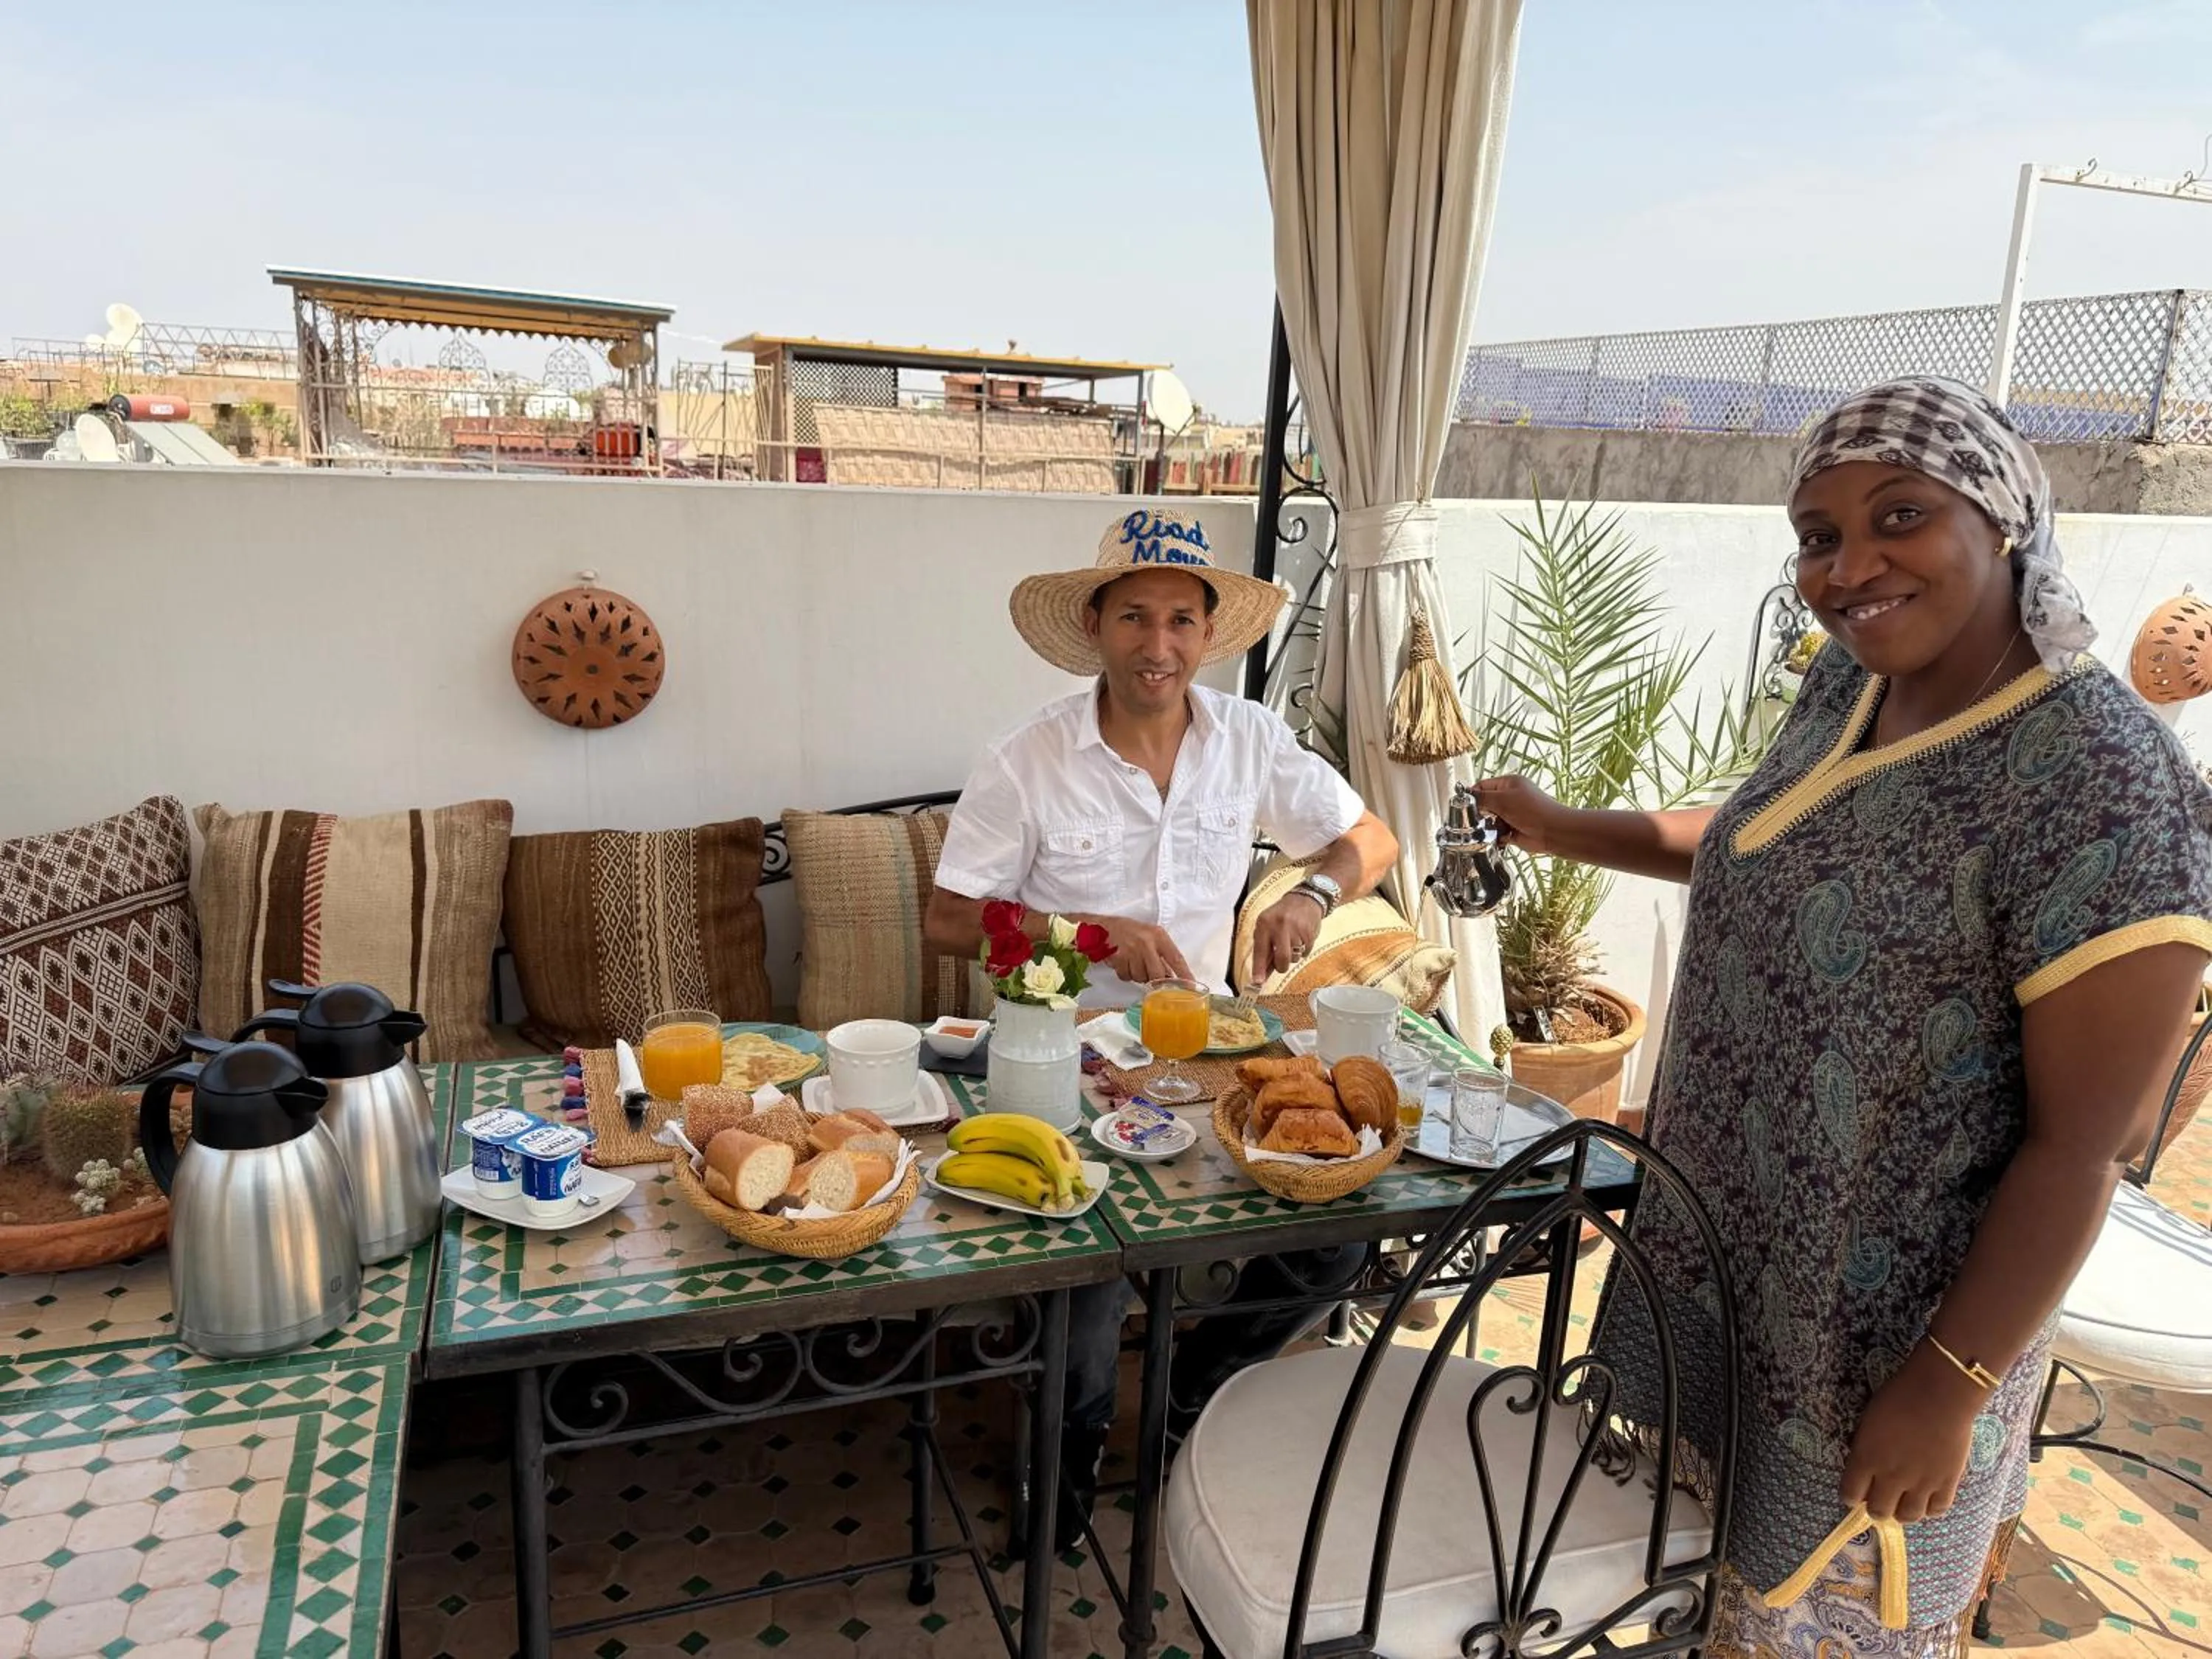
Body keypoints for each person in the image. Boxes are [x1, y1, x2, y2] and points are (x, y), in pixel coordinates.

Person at [1479, 376, 2212, 1657]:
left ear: (2006, 521)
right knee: (1687, 1595)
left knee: (1814, 1625)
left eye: (1900, 515)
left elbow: (2084, 1145)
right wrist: (1562, 828)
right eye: (1818, 535)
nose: (1849, 563)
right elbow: (1772, 833)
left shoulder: (2096, 778)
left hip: (1881, 1352)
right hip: (1732, 1276)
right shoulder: (1855, 684)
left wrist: (1949, 1387)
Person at [928, 507, 1400, 1547]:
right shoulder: (1029, 758)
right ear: (1095, 625)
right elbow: (952, 918)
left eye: (1182, 620)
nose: (1159, 645)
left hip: (1209, 1054)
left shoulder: (1250, 738)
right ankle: (1066, 1468)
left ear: (1208, 634)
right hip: (1067, 1056)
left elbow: (1372, 835)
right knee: (1094, 1288)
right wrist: (1094, 930)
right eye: (1135, 617)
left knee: (1336, 1237)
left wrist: (1310, 896)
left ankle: (1195, 1390)